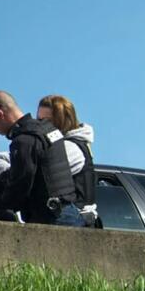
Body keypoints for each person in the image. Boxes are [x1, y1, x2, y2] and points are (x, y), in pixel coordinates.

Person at [0, 91, 84, 227]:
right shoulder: (47, 129)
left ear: (0, 114)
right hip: (69, 215)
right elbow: (15, 174)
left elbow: (18, 189)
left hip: (51, 221)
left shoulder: (23, 141)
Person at [37, 94, 97, 226]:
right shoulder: (68, 145)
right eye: (38, 120)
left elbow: (33, 166)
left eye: (46, 121)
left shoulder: (69, 148)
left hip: (73, 222)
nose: (40, 126)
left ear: (62, 121)